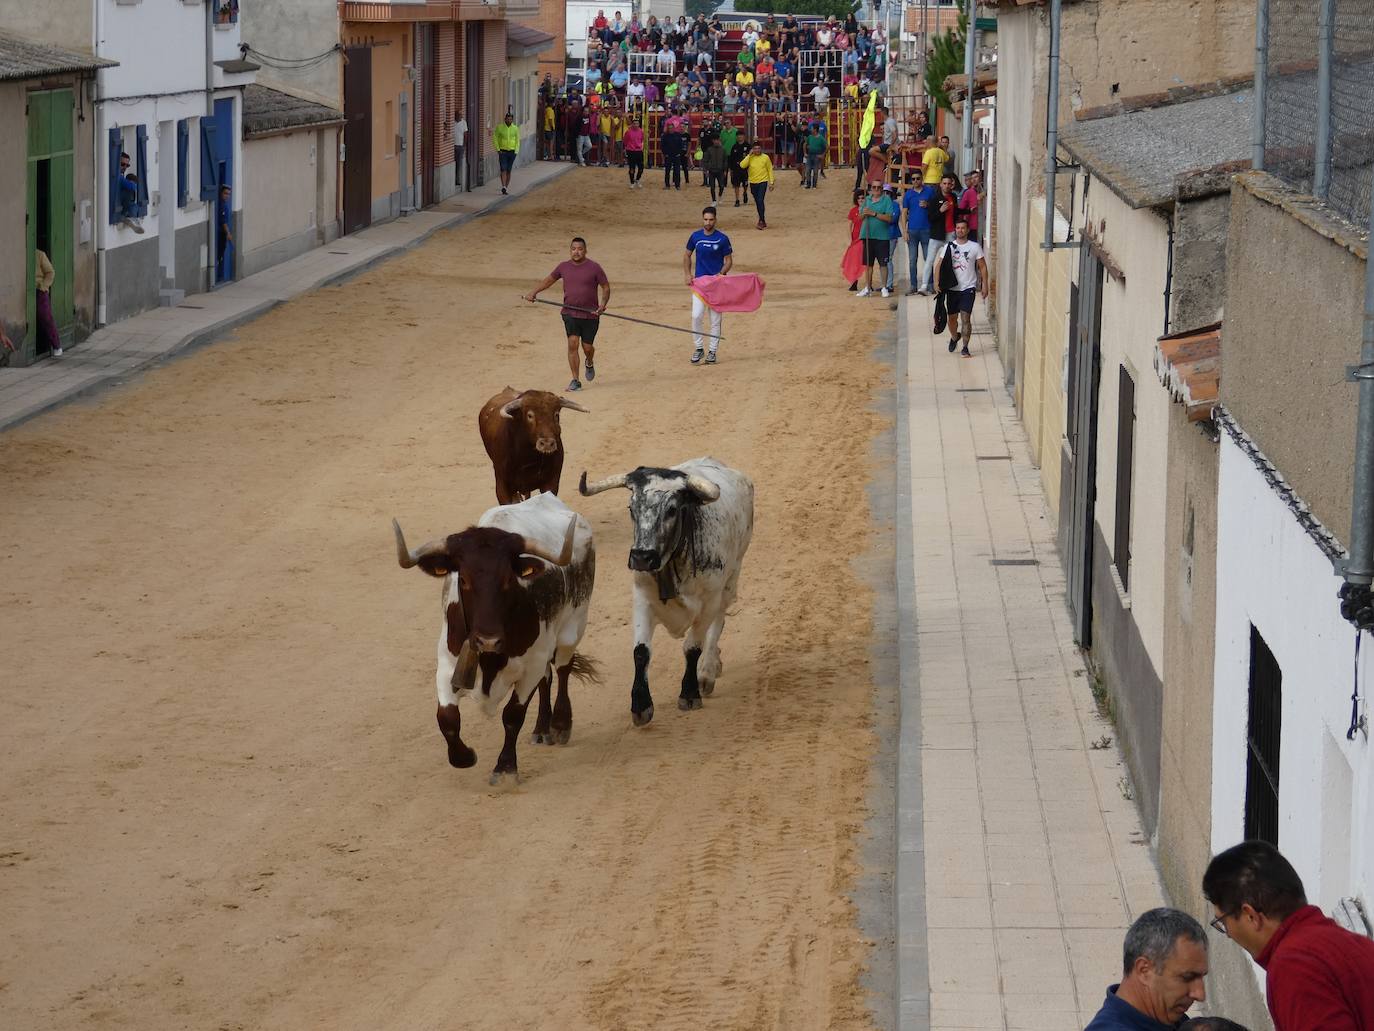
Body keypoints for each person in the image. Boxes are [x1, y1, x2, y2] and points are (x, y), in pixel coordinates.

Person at [1203, 841, 1374, 1031]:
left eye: (1224, 923)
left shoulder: (1293, 965)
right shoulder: (1353, 943)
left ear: (1250, 916)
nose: (1228, 935)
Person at [1084, 908, 1209, 1030]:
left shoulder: (1167, 1016)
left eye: (1202, 977)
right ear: (1144, 970)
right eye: (1187, 977)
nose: (1200, 994)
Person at [523, 236, 610, 392]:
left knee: (587, 347)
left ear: (585, 250)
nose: (576, 252)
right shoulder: (563, 267)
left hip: (590, 315)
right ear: (570, 250)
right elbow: (549, 280)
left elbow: (605, 287)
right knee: (573, 344)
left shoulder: (594, 268)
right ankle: (575, 380)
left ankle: (589, 362)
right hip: (570, 313)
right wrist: (533, 292)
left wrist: (602, 305)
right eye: (573, 249)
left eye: (580, 249)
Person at [684, 205, 733, 365]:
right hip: (699, 284)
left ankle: (712, 351)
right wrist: (687, 273)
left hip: (716, 285)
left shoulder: (722, 239)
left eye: (711, 220)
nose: (708, 222)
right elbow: (687, 255)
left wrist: (722, 273)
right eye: (705, 219)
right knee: (696, 315)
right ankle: (699, 347)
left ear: (715, 220)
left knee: (715, 320)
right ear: (702, 219)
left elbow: (728, 261)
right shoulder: (695, 237)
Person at [933, 215, 987, 355]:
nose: (960, 230)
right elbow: (938, 265)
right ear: (955, 230)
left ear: (968, 230)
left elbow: (982, 267)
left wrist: (985, 285)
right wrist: (936, 282)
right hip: (952, 289)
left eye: (963, 228)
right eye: (958, 228)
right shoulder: (948, 247)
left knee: (965, 318)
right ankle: (954, 336)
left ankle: (965, 347)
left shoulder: (975, 247)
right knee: (952, 320)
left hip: (968, 288)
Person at [855, 181, 895, 298]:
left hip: (882, 236)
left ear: (882, 188)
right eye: (874, 187)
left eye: (878, 187)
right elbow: (859, 218)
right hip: (867, 236)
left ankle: (884, 287)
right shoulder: (866, 200)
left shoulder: (886, 200)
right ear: (870, 188)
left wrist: (873, 213)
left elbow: (889, 218)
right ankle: (868, 287)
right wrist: (865, 213)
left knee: (883, 263)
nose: (876, 189)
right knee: (868, 264)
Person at [902, 176, 938, 295]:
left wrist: (928, 205)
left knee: (928, 259)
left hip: (926, 229)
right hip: (912, 230)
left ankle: (930, 285)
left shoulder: (929, 191)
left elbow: (936, 206)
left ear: (921, 179)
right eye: (913, 179)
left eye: (917, 179)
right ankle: (913, 285)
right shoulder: (908, 194)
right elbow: (904, 212)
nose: (915, 181)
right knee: (912, 260)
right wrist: (905, 231)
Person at [738, 140, 774, 230]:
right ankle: (762, 219)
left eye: (758, 148)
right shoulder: (750, 157)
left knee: (760, 200)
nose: (757, 150)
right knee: (758, 202)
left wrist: (771, 182)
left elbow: (770, 169)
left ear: (761, 149)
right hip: (753, 182)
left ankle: (761, 221)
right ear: (752, 150)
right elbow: (742, 165)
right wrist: (749, 155)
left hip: (763, 181)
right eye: (755, 149)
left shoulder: (765, 157)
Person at [35, 248, 61, 357]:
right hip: (26, 290)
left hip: (40, 289)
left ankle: (56, 345)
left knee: (45, 315)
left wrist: (43, 286)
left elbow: (50, 272)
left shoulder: (40, 254)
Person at [494, 111, 519, 194]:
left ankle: (506, 188)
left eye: (510, 119)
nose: (509, 121)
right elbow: (495, 138)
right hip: (503, 152)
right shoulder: (500, 127)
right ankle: (503, 186)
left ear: (512, 120)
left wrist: (516, 151)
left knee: (509, 170)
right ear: (505, 119)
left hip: (512, 152)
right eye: (508, 119)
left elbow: (517, 140)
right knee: (503, 169)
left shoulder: (515, 128)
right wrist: (498, 149)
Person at [959, 168, 984, 241]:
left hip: (984, 226)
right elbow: (961, 209)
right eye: (972, 178)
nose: (973, 180)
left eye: (976, 177)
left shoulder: (986, 191)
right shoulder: (968, 192)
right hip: (972, 226)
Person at [727, 132, 749, 208]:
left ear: (744, 136)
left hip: (745, 169)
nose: (740, 137)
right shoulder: (734, 146)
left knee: (745, 184)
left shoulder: (748, 146)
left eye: (741, 135)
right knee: (736, 185)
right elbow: (731, 158)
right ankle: (737, 200)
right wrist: (731, 169)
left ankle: (745, 193)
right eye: (738, 136)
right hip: (736, 168)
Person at [216, 184, 233, 282]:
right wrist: (228, 233)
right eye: (225, 193)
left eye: (229, 194)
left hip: (223, 233)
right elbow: (223, 222)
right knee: (220, 253)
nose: (227, 196)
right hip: (221, 233)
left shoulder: (224, 204)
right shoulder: (221, 205)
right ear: (221, 193)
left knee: (221, 252)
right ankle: (218, 276)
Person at [702, 135, 727, 202]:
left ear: (719, 140)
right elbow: (705, 160)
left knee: (721, 186)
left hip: (720, 170)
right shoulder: (709, 150)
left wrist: (725, 170)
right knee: (712, 187)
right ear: (713, 141)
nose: (716, 141)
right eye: (714, 140)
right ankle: (714, 200)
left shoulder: (723, 150)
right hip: (711, 171)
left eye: (717, 140)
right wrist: (706, 170)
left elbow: (725, 161)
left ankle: (720, 195)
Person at [803, 121, 826, 189]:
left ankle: (814, 185)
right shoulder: (810, 137)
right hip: (810, 155)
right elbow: (805, 145)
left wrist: (822, 155)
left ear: (815, 130)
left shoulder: (821, 138)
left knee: (815, 171)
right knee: (808, 170)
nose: (811, 129)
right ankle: (809, 184)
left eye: (812, 128)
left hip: (816, 156)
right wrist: (805, 153)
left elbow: (827, 147)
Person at [623, 117, 644, 187]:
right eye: (634, 124)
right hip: (631, 151)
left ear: (639, 124)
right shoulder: (628, 132)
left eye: (637, 124)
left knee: (641, 168)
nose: (636, 125)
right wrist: (627, 148)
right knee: (632, 168)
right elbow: (625, 141)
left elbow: (642, 140)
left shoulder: (641, 131)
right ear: (632, 124)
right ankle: (632, 182)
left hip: (639, 151)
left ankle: (637, 180)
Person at [454, 113, 469, 187]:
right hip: (452, 146)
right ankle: (454, 179)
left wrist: (464, 146)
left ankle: (457, 180)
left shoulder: (463, 122)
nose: (461, 117)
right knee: (454, 163)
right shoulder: (452, 122)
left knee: (458, 163)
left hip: (460, 146)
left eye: (461, 116)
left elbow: (465, 134)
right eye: (459, 116)